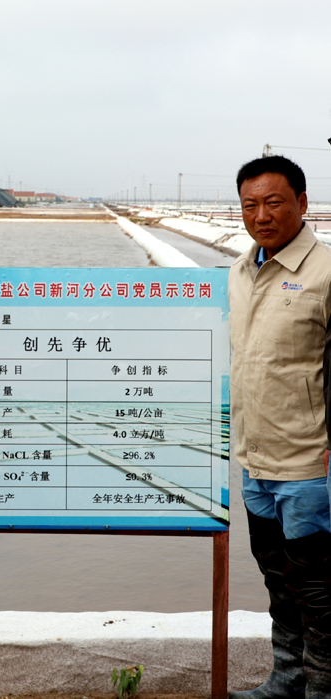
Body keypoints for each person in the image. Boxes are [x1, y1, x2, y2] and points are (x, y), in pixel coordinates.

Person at [229, 155, 331, 699]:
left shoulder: (325, 272)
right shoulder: (240, 271)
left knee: (318, 585)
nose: (261, 215)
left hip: (309, 463)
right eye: (250, 205)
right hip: (255, 459)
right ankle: (288, 677)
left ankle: (323, 686)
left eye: (274, 203)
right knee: (276, 577)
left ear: (302, 203)